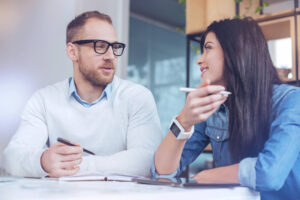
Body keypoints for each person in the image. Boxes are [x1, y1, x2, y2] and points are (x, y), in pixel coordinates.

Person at [151, 17, 300, 199]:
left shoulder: (291, 101)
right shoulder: (214, 107)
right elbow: (161, 172)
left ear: (236, 51)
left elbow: (269, 174)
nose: (200, 60)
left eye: (208, 48)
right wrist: (184, 120)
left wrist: (205, 176)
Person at [2, 11, 162, 178]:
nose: (111, 56)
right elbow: (12, 158)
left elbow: (147, 159)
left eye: (115, 47)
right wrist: (44, 161)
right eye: (100, 46)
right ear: (72, 52)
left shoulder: (137, 97)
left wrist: (74, 166)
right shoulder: (43, 100)